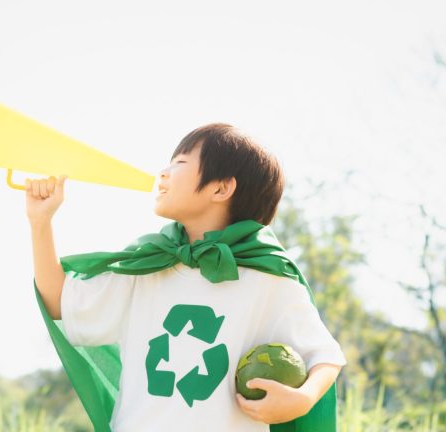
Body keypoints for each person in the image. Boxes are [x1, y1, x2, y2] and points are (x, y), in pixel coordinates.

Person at [26, 123, 347, 432]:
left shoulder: (269, 279)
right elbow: (61, 302)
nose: (163, 172)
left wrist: (302, 400)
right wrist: (41, 221)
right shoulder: (145, 267)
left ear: (221, 188)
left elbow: (324, 356)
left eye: (179, 163)